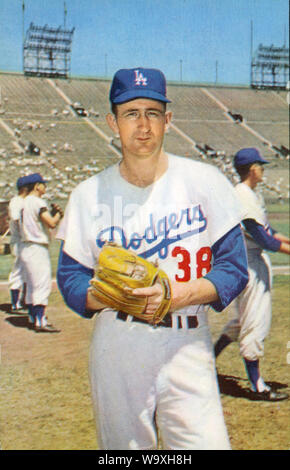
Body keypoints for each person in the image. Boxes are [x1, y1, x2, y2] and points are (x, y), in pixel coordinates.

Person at [56, 67, 249, 450]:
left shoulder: (205, 180)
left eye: (152, 112)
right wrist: (114, 295)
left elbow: (233, 269)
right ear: (113, 122)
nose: (142, 125)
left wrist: (178, 294)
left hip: (189, 340)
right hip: (119, 342)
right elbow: (70, 278)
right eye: (131, 113)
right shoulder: (87, 194)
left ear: (168, 120)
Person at [214, 148, 290, 401]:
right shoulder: (243, 196)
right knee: (255, 325)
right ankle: (258, 386)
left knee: (242, 321)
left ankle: (207, 361)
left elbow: (269, 232)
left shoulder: (251, 194)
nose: (263, 169)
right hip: (248, 262)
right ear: (252, 168)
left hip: (251, 260)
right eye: (261, 165)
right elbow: (264, 240)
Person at [19, 173, 63, 332]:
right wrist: (58, 215)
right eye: (43, 184)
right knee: (41, 285)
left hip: (25, 246)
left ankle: (33, 317)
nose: (45, 186)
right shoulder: (37, 201)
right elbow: (51, 223)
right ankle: (40, 321)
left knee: (31, 285)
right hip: (36, 247)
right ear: (37, 186)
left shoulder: (24, 202)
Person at [8, 176, 29, 311]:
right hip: (18, 241)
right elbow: (16, 219)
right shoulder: (16, 201)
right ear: (25, 188)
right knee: (18, 271)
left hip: (26, 242)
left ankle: (24, 300)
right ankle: (15, 303)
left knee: (27, 272)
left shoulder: (26, 201)